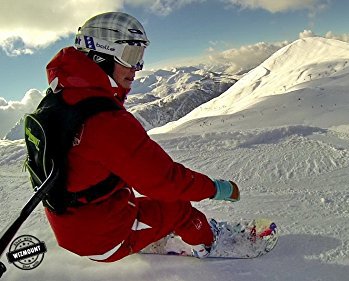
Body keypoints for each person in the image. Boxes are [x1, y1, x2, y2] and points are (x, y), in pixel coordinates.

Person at [44, 11, 239, 262]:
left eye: (140, 57)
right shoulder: (105, 121)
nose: (138, 67)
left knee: (152, 200)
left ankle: (152, 230)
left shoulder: (60, 98)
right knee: (180, 209)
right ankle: (210, 243)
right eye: (131, 56)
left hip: (76, 226)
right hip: (104, 238)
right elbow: (166, 180)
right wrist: (215, 189)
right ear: (99, 54)